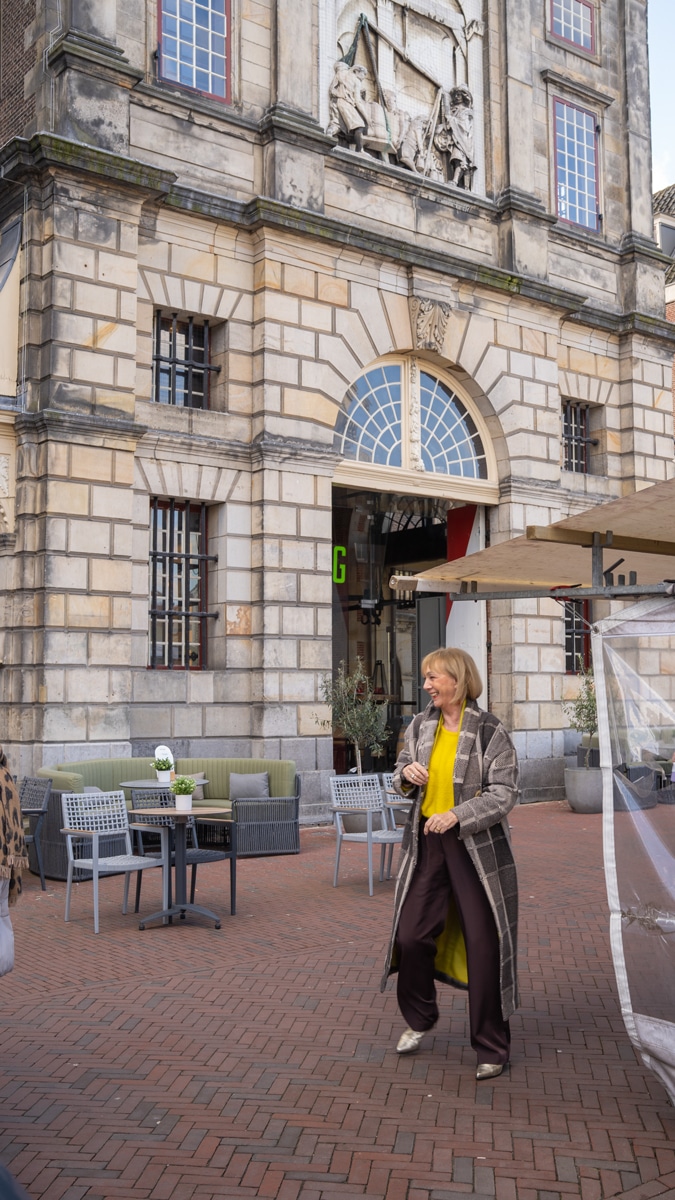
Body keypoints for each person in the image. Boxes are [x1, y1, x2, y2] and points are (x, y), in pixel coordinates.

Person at [381, 648, 519, 1080]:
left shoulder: (489, 730)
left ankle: (492, 1047)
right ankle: (420, 1017)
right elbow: (401, 768)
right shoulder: (421, 725)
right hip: (428, 845)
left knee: (484, 944)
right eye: (425, 678)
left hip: (476, 852)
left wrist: (459, 814)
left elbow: (505, 792)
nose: (426, 686)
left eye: (433, 678)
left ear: (457, 680)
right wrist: (407, 776)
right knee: (411, 934)